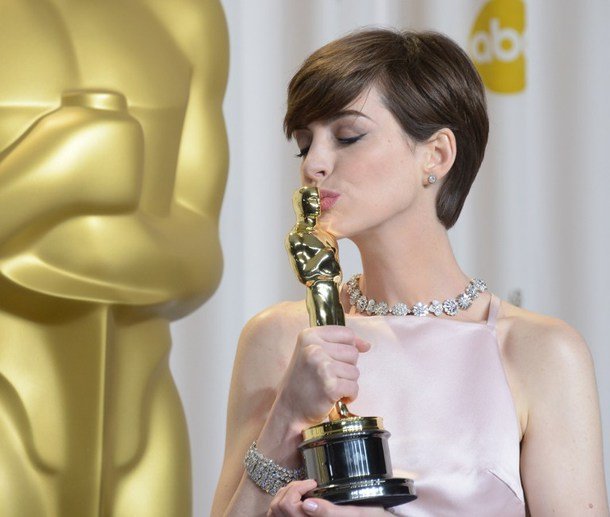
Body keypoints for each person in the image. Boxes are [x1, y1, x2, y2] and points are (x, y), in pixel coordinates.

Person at [212, 29, 608, 516]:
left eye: (347, 136)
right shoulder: (279, 338)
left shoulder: (540, 352)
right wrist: (284, 419)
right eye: (303, 143)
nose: (314, 163)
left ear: (437, 155)